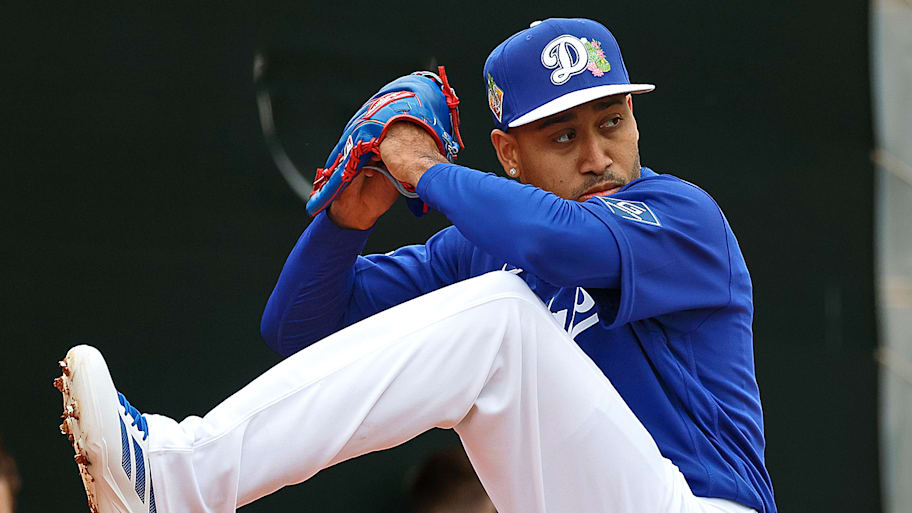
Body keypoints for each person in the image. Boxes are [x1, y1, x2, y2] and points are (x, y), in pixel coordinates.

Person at [55, 17, 776, 513]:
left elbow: (563, 243)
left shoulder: (683, 218)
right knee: (495, 309)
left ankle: (182, 476)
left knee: (501, 316)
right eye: (563, 135)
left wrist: (422, 169)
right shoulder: (480, 252)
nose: (597, 155)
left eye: (611, 121)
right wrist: (348, 218)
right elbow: (305, 329)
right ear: (508, 154)